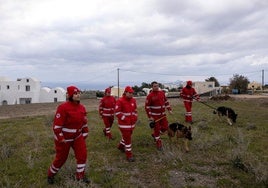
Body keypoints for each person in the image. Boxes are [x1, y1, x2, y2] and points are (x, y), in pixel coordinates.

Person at [47, 86, 90, 184]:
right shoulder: (63, 108)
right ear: (70, 95)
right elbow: (57, 126)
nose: (78, 95)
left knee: (82, 156)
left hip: (77, 137)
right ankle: (50, 174)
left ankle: (80, 176)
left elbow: (84, 122)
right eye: (75, 93)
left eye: (79, 93)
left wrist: (85, 132)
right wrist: (61, 138)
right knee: (61, 159)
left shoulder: (82, 108)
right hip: (64, 139)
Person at [145, 81, 172, 151]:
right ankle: (158, 143)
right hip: (155, 116)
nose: (156, 87)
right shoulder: (150, 96)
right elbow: (147, 107)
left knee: (165, 128)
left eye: (157, 86)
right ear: (152, 87)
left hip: (163, 115)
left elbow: (166, 102)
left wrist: (169, 109)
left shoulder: (162, 93)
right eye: (154, 86)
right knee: (157, 130)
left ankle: (155, 135)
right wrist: (150, 116)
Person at [115, 86, 137, 162]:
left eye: (132, 93)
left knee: (127, 136)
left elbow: (135, 110)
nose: (131, 94)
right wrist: (126, 119)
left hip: (131, 124)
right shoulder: (120, 101)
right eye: (129, 93)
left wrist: (135, 117)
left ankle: (120, 146)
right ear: (125, 92)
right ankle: (129, 155)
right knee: (128, 139)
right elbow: (117, 112)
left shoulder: (133, 100)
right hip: (124, 124)